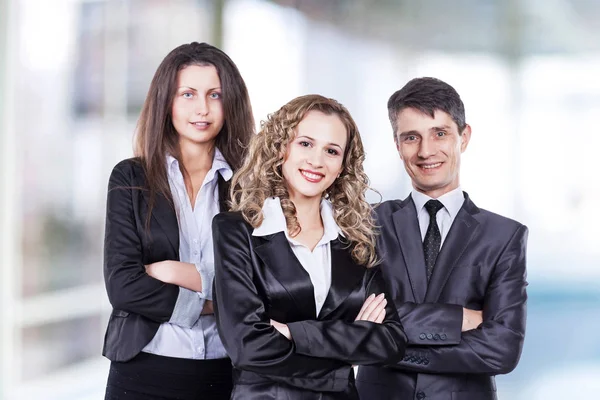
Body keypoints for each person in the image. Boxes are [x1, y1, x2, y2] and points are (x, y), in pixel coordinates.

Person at [212, 94, 407, 399]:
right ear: (280, 147)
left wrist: (294, 332)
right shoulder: (237, 231)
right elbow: (247, 346)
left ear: (343, 165)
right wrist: (345, 355)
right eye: (305, 143)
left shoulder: (356, 239)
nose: (317, 160)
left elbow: (391, 341)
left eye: (331, 150)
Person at [356, 77, 528, 400]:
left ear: (463, 137)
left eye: (439, 133)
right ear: (397, 145)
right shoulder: (367, 223)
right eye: (411, 137)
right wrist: (459, 319)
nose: (426, 151)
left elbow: (502, 349)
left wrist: (386, 346)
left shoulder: (505, 237)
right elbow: (350, 316)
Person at [102, 41, 254, 399]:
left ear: (230, 102)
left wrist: (178, 272)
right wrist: (209, 305)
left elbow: (259, 288)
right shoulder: (130, 178)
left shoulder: (251, 186)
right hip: (141, 370)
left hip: (225, 372)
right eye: (187, 94)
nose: (202, 108)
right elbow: (123, 285)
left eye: (215, 95)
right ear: (166, 101)